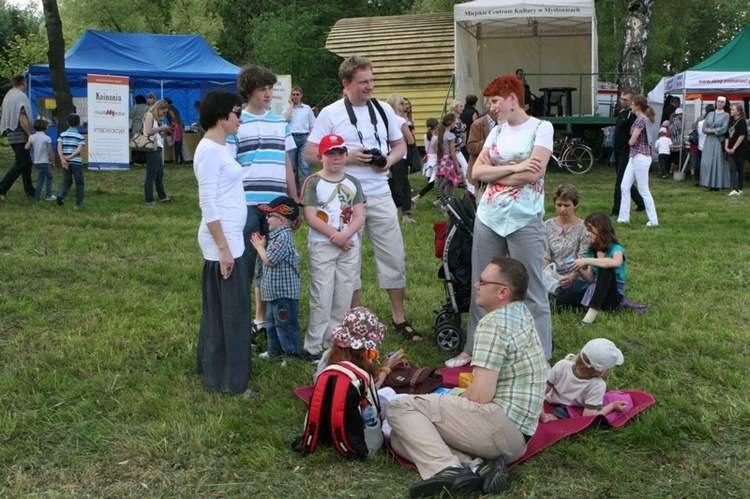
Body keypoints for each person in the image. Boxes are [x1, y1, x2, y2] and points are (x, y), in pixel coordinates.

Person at [388, 258, 547, 498]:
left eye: (483, 281)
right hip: (519, 438)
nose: (476, 285)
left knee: (399, 408)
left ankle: (448, 470)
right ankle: (478, 466)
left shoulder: (493, 324)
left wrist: (454, 396)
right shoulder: (521, 312)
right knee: (402, 439)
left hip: (498, 428)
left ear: (503, 292)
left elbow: (481, 395)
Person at [304, 56, 419, 344]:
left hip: (379, 192)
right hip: (343, 198)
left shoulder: (382, 110)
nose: (370, 86)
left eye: (371, 80)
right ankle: (348, 319)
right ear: (346, 84)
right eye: (363, 82)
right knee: (348, 261)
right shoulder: (330, 114)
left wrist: (388, 162)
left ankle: (399, 318)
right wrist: (349, 158)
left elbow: (400, 144)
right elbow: (309, 154)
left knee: (393, 255)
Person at [446, 74, 554, 368]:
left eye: (494, 101)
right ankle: (474, 349)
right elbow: (476, 173)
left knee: (530, 286)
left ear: (512, 99)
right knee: (481, 283)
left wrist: (500, 171)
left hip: (525, 217)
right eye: (489, 102)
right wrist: (517, 166)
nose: (491, 107)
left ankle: (541, 355)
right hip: (488, 216)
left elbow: (535, 174)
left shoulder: (542, 128)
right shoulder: (495, 132)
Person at [227, 65, 298, 346]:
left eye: (271, 88)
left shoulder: (280, 121)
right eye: (262, 89)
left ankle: (263, 322)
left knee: (271, 267)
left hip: (276, 206)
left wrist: (293, 203)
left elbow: (288, 164)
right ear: (248, 92)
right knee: (244, 265)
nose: (269, 94)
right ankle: (242, 324)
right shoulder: (236, 122)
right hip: (245, 203)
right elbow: (230, 166)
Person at [193, 90, 257, 398]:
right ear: (221, 115)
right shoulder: (208, 150)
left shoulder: (221, 146)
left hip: (231, 239)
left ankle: (215, 369)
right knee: (230, 314)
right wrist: (223, 248)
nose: (240, 118)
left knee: (226, 311)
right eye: (236, 112)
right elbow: (208, 204)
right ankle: (228, 381)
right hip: (223, 242)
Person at [301, 134, 365, 357]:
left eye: (340, 153)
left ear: (346, 155)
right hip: (323, 245)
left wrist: (346, 234)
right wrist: (335, 235)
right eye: (331, 154)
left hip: (349, 245)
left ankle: (333, 343)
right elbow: (310, 216)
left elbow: (359, 215)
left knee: (344, 294)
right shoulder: (314, 182)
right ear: (321, 156)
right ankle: (313, 346)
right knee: (322, 294)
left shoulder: (352, 182)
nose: (336, 158)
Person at [251, 196, 302, 362]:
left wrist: (259, 247)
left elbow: (270, 260)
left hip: (284, 294)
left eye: (269, 216)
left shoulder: (283, 238)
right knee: (272, 323)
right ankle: (275, 351)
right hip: (274, 293)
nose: (266, 219)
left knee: (285, 325)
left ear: (280, 220)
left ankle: (291, 355)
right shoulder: (275, 236)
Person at [556, 211, 627, 325]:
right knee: (559, 303)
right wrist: (578, 268)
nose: (587, 234)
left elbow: (616, 263)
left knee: (606, 267)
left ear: (600, 230)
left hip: (612, 296)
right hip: (593, 291)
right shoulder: (592, 250)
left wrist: (587, 260)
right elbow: (590, 279)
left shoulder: (616, 248)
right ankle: (591, 306)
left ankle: (590, 316)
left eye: (590, 230)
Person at [540, 338, 627, 422]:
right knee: (623, 399)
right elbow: (588, 417)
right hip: (571, 406)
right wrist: (612, 406)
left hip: (550, 400)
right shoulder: (598, 385)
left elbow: (540, 391)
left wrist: (541, 414)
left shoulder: (561, 365)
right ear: (603, 372)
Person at [617, 94, 658, 227]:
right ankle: (623, 217)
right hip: (635, 156)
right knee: (624, 186)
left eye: (633, 104)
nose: (632, 106)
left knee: (643, 189)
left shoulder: (641, 120)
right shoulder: (643, 119)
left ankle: (653, 220)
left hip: (640, 156)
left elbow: (633, 140)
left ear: (638, 106)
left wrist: (628, 142)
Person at [543, 184, 589, 297]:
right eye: (559, 205)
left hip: (576, 275)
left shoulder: (584, 227)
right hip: (553, 272)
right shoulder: (547, 225)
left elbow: (584, 258)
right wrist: (543, 273)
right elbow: (545, 255)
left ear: (575, 205)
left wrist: (572, 277)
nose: (562, 209)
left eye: (566, 205)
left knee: (574, 290)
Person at [0, 74, 35, 201]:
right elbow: (22, 118)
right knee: (21, 163)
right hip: (20, 133)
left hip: (10, 133)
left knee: (26, 163)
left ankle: (30, 190)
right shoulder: (20, 97)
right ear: (23, 83)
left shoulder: (9, 95)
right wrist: (30, 135)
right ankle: (2, 188)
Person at [611, 90, 645, 217]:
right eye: (621, 99)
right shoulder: (621, 114)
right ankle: (641, 203)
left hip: (626, 151)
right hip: (618, 150)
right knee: (625, 180)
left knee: (620, 182)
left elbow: (635, 133)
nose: (622, 101)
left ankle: (616, 209)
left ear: (632, 102)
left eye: (625, 99)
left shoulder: (632, 116)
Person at [386, 93, 416, 223]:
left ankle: (406, 213)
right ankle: (398, 212)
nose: (403, 105)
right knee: (400, 185)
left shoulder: (385, 119)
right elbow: (410, 140)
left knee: (402, 184)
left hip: (387, 154)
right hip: (400, 155)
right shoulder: (400, 121)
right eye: (401, 103)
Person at [283, 86, 316, 195]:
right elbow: (285, 120)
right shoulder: (287, 108)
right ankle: (296, 190)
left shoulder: (307, 109)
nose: (295, 96)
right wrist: (291, 106)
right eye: (293, 94)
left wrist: (310, 136)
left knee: (305, 165)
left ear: (301, 95)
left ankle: (307, 190)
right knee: (293, 167)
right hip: (291, 137)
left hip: (304, 138)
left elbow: (313, 124)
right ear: (290, 96)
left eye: (297, 94)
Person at [141, 99, 172, 206]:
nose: (163, 114)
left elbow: (154, 131)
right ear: (159, 108)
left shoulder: (153, 117)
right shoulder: (149, 115)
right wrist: (162, 127)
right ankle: (149, 200)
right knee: (151, 174)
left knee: (159, 174)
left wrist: (163, 131)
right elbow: (148, 131)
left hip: (157, 147)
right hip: (152, 148)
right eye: (163, 112)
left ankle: (162, 196)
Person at [466, 105, 499, 198]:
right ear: (490, 108)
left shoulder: (503, 125)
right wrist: (489, 141)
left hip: (497, 173)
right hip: (482, 175)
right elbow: (471, 148)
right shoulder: (477, 124)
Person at [700, 96, 730, 191]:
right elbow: (704, 128)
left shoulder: (726, 115)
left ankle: (717, 183)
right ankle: (707, 182)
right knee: (707, 161)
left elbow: (724, 129)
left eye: (722, 102)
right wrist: (709, 131)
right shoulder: (710, 114)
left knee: (717, 161)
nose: (720, 103)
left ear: (724, 104)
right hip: (709, 141)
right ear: (716, 102)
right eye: (718, 101)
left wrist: (712, 130)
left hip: (718, 140)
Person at [55, 114, 85, 207]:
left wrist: (63, 158)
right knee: (79, 183)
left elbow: (59, 147)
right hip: (76, 162)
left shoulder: (62, 135)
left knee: (67, 181)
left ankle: (61, 195)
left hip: (65, 163)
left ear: (67, 123)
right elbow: (78, 150)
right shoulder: (80, 136)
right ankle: (79, 203)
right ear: (79, 123)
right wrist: (70, 157)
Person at [25, 119, 56, 202]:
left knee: (49, 176)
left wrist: (33, 146)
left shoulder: (32, 137)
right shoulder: (47, 138)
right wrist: (52, 161)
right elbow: (50, 151)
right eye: (47, 126)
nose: (48, 127)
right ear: (44, 127)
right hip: (44, 161)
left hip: (36, 161)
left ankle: (48, 194)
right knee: (41, 180)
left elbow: (26, 147)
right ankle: (38, 197)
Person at [410, 118, 439, 208]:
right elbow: (437, 151)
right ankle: (416, 198)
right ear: (436, 127)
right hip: (434, 160)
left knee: (430, 183)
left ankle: (417, 198)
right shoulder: (435, 139)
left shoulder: (425, 136)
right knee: (434, 183)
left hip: (429, 159)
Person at [435, 113, 462, 199]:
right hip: (449, 161)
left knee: (445, 181)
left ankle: (442, 199)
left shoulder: (441, 134)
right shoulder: (451, 135)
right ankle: (447, 200)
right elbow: (453, 152)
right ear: (451, 123)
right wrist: (457, 166)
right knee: (450, 182)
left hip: (443, 160)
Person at [448, 99, 472, 195]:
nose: (462, 108)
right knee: (465, 168)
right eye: (460, 106)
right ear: (455, 107)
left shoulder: (459, 118)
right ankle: (471, 190)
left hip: (459, 147)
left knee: (458, 170)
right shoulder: (451, 119)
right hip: (453, 149)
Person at [725, 103, 748, 196]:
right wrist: (726, 147)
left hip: (740, 150)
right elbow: (727, 135)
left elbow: (742, 135)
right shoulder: (731, 121)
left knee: (740, 169)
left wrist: (734, 147)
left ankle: (739, 188)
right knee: (732, 168)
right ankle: (735, 187)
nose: (731, 111)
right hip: (730, 149)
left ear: (738, 111)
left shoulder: (742, 121)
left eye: (733, 109)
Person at [694, 104, 714, 186]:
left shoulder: (699, 122)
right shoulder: (711, 123)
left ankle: (699, 178)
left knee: (700, 163)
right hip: (709, 146)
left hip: (701, 146)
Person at [459, 94, 479, 159]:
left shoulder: (461, 111)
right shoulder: (473, 112)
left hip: (461, 133)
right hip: (470, 133)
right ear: (475, 102)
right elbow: (475, 124)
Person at [668, 107, 684, 173]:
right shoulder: (678, 122)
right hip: (678, 141)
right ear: (679, 114)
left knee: (673, 157)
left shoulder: (671, 121)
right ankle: (675, 170)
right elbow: (681, 130)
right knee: (677, 158)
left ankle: (671, 170)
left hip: (673, 140)